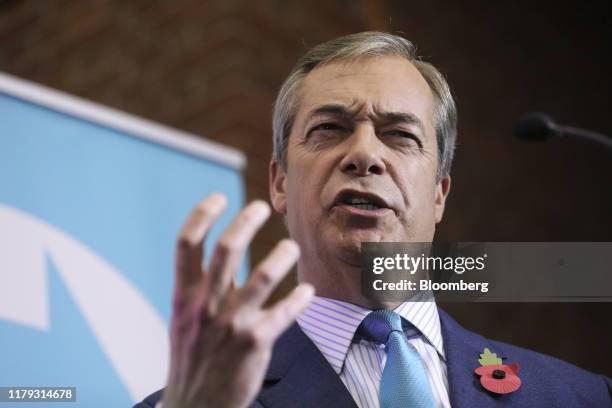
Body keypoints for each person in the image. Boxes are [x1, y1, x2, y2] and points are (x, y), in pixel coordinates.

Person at [135, 32, 611, 408]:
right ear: (280, 183)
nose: (364, 154)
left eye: (400, 135)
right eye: (329, 129)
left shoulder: (581, 396)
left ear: (440, 194)